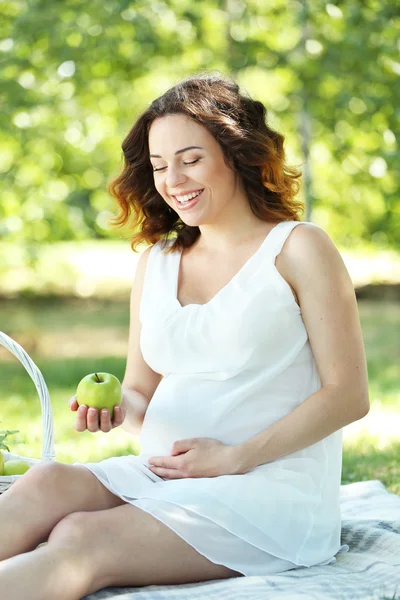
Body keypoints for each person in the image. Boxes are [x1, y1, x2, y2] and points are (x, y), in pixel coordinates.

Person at [0, 72, 370, 600]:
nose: (173, 180)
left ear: (236, 154)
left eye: (190, 159)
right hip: (164, 476)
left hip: (267, 493)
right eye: (158, 166)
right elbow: (138, 392)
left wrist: (234, 457)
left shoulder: (299, 248)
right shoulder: (157, 261)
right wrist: (112, 408)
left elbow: (349, 396)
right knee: (46, 483)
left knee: (82, 538)